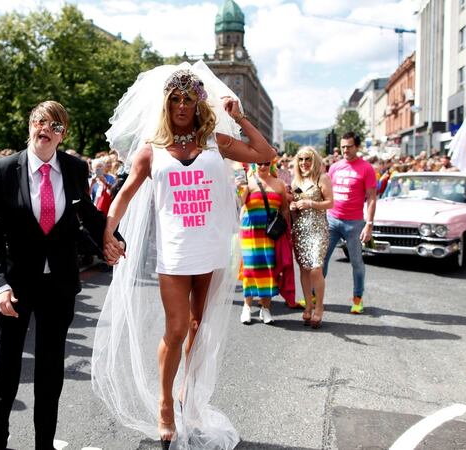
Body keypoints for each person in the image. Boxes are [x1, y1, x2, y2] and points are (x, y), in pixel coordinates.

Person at [92, 62, 274, 449]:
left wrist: (240, 118)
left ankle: (187, 394)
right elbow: (124, 194)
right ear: (166, 104)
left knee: (196, 327)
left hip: (210, 248)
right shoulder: (152, 150)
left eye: (188, 99)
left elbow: (264, 153)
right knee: (175, 330)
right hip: (174, 252)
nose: (181, 106)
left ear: (198, 103)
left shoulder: (214, 142)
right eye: (174, 99)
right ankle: (165, 406)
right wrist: (108, 228)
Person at [0, 101, 121, 450]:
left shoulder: (74, 168)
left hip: (58, 283)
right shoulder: (3, 169)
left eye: (55, 126)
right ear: (30, 125)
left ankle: (44, 442)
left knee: (50, 366)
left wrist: (113, 240)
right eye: (40, 122)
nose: (46, 129)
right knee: (7, 366)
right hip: (15, 284)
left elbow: (85, 214)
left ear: (63, 134)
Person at [323, 132, 377, 314]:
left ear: (357, 147)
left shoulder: (366, 168)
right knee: (321, 260)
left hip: (354, 223)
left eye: (349, 146)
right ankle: (314, 295)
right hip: (332, 220)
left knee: (356, 262)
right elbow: (326, 193)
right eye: (343, 146)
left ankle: (357, 298)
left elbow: (371, 198)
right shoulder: (335, 167)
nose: (345, 150)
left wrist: (369, 223)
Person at [237, 161, 288, 324]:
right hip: (251, 230)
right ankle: (247, 307)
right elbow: (240, 203)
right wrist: (240, 188)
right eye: (259, 163)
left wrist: (285, 231)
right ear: (254, 164)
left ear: (272, 164)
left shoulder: (279, 184)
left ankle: (265, 309)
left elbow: (284, 208)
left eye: (266, 163)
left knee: (269, 269)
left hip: (271, 233)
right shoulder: (248, 182)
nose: (263, 166)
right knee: (250, 269)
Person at [290, 146, 333, 328]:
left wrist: (311, 203)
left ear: (314, 160)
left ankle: (319, 308)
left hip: (318, 230)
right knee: (304, 269)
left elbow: (330, 203)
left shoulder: (322, 178)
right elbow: (294, 204)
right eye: (300, 159)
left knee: (316, 267)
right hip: (300, 230)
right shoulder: (295, 182)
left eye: (307, 159)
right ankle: (308, 306)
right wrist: (293, 206)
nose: (304, 163)